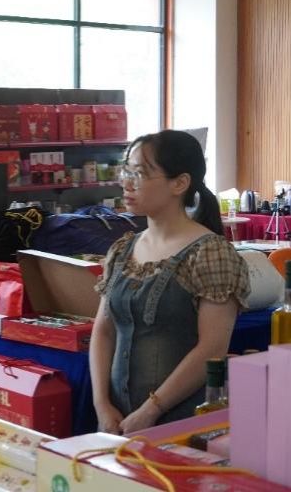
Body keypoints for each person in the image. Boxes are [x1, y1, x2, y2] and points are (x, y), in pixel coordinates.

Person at [90, 129, 250, 435]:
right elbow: (104, 330)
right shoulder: (122, 249)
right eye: (127, 171)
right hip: (116, 417)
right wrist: (101, 404)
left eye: (139, 174)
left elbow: (212, 348)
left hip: (180, 420)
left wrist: (151, 410)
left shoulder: (210, 253)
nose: (127, 183)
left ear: (179, 183)